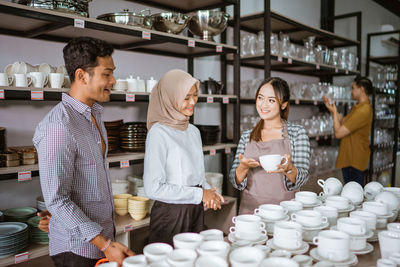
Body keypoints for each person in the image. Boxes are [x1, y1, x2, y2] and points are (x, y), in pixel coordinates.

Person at [33, 36, 134, 267]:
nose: (114, 80)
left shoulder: (93, 114)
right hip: (76, 250)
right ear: (81, 76)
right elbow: (57, 199)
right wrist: (106, 244)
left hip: (100, 241)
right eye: (106, 74)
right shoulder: (59, 126)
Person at [143, 69, 224, 245]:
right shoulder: (159, 133)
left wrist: (210, 193)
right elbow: (152, 188)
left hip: (195, 209)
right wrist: (200, 194)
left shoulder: (193, 131)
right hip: (170, 214)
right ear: (170, 98)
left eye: (195, 96)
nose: (193, 102)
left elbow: (198, 175)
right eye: (186, 98)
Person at [229, 77, 310, 214]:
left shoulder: (297, 133)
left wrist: (289, 169)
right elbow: (234, 179)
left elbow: (303, 177)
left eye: (271, 100)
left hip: (285, 211)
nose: (263, 105)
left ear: (283, 104)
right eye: (260, 98)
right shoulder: (247, 136)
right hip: (251, 211)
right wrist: (242, 167)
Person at [323, 77, 373, 186]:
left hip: (353, 160)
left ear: (362, 89)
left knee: (353, 194)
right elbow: (342, 121)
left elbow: (338, 133)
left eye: (353, 88)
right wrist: (333, 110)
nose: (351, 91)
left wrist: (335, 112)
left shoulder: (363, 111)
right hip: (351, 158)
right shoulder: (359, 108)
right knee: (351, 192)